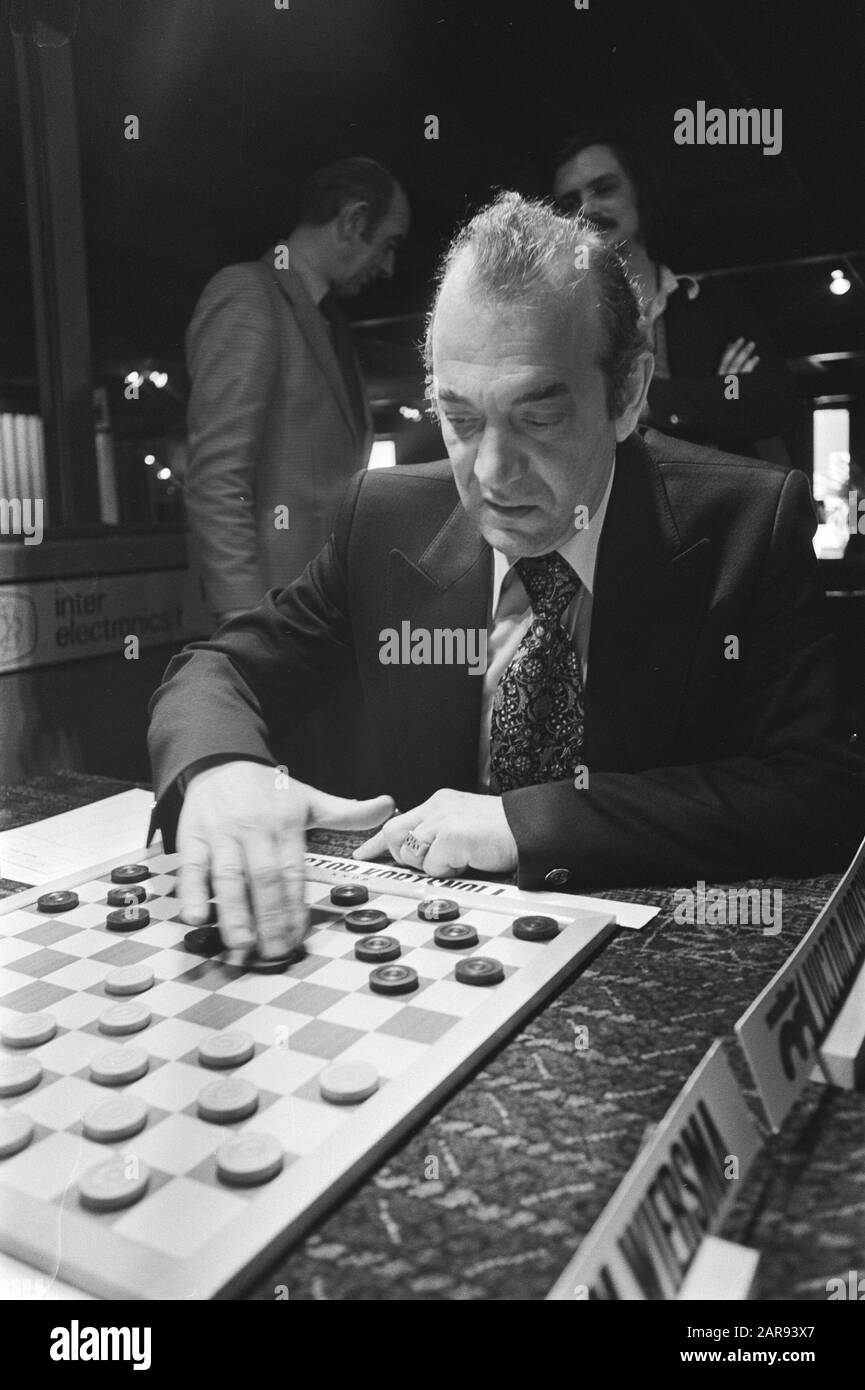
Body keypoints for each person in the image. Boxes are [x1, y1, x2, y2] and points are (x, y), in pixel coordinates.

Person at [148, 193, 864, 961]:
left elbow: (817, 791)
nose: (490, 475)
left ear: (625, 395)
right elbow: (220, 669)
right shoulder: (386, 518)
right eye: (459, 419)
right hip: (421, 975)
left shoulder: (746, 520)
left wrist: (532, 821)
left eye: (538, 417)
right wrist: (222, 769)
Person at [183, 157, 411, 625]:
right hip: (271, 625)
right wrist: (244, 629)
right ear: (353, 221)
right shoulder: (248, 294)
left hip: (322, 620)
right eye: (388, 245)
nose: (388, 267)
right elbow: (217, 480)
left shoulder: (328, 322)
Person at [550, 132, 796, 460]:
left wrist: (647, 404)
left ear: (638, 191)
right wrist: (716, 393)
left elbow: (773, 402)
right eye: (569, 204)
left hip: (715, 504)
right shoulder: (557, 320)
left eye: (604, 188)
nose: (586, 210)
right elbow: (561, 424)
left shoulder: (711, 303)